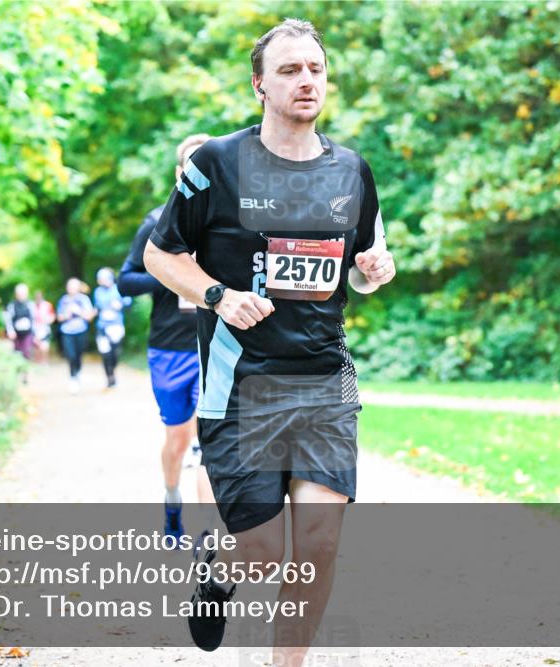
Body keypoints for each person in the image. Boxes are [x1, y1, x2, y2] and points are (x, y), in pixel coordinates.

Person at [143, 19, 396, 666]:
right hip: (241, 385)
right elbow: (159, 253)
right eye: (289, 70)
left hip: (324, 382)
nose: (305, 79)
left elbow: (363, 265)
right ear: (260, 84)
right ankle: (218, 569)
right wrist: (218, 296)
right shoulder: (216, 165)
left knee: (317, 546)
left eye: (314, 68)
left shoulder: (351, 171)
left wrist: (372, 272)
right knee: (258, 554)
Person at [119, 133, 216, 547]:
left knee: (211, 442)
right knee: (178, 438)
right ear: (180, 173)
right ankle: (172, 501)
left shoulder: (230, 224)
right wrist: (169, 275)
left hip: (217, 346)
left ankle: (208, 533)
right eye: (192, 165)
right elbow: (126, 280)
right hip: (170, 347)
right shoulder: (157, 221)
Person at [56, 277, 95, 394]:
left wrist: (78, 311)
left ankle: (78, 372)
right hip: (67, 332)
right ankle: (73, 377)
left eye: (74, 286)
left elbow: (89, 317)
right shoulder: (63, 300)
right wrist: (66, 315)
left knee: (78, 355)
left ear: (78, 288)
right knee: (70, 355)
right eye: (69, 286)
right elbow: (59, 317)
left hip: (81, 331)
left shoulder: (84, 299)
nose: (71, 289)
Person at [93, 267, 125, 388]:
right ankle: (109, 377)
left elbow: (127, 301)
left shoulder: (118, 289)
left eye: (103, 279)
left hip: (116, 325)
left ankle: (113, 370)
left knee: (115, 352)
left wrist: (120, 304)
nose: (101, 281)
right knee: (105, 353)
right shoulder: (97, 292)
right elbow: (97, 306)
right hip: (102, 326)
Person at [3, 283, 36, 373]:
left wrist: (35, 333)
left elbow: (34, 319)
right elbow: (8, 319)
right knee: (17, 352)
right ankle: (18, 370)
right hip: (16, 333)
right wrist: (10, 331)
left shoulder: (30, 304)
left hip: (28, 332)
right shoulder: (12, 305)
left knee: (27, 351)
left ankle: (25, 372)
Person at [32, 290, 56, 362]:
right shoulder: (31, 306)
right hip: (35, 330)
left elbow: (53, 317)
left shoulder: (47, 305)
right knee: (36, 348)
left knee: (44, 347)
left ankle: (44, 361)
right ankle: (37, 362)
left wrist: (47, 320)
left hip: (45, 330)